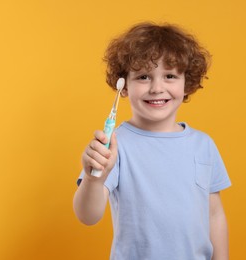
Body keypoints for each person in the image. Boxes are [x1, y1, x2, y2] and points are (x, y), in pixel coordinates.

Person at [73, 22, 231, 260]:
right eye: (144, 76)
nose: (157, 88)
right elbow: (87, 216)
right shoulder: (115, 146)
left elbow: (215, 214)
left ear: (186, 83)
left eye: (169, 76)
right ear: (123, 85)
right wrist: (95, 179)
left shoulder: (203, 145)